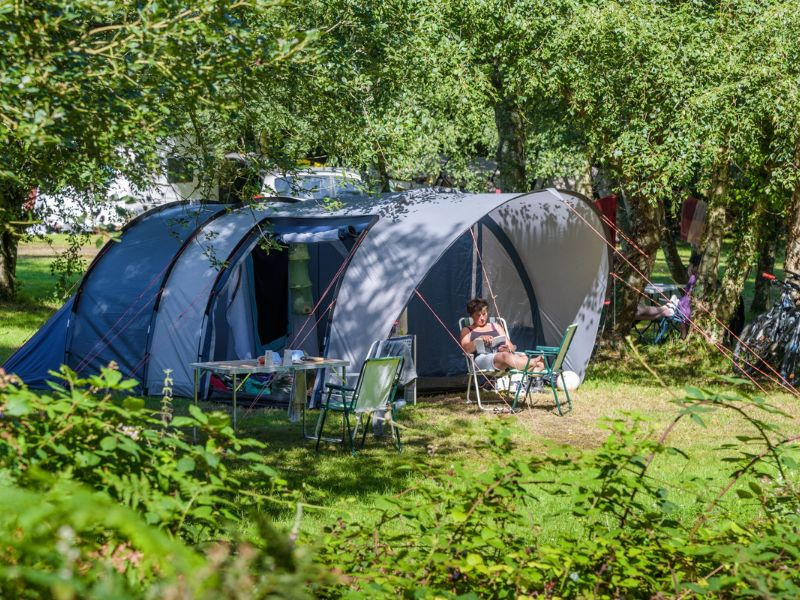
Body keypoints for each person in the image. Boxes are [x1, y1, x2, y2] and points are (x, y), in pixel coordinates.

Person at [459, 298, 544, 372]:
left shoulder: (496, 326)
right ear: (472, 315)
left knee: (522, 356)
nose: (482, 318)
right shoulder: (467, 330)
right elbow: (465, 349)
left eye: (484, 314)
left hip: (500, 356)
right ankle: (535, 363)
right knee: (506, 356)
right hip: (481, 359)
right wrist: (478, 340)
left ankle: (535, 368)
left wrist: (507, 348)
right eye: (478, 315)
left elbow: (511, 347)